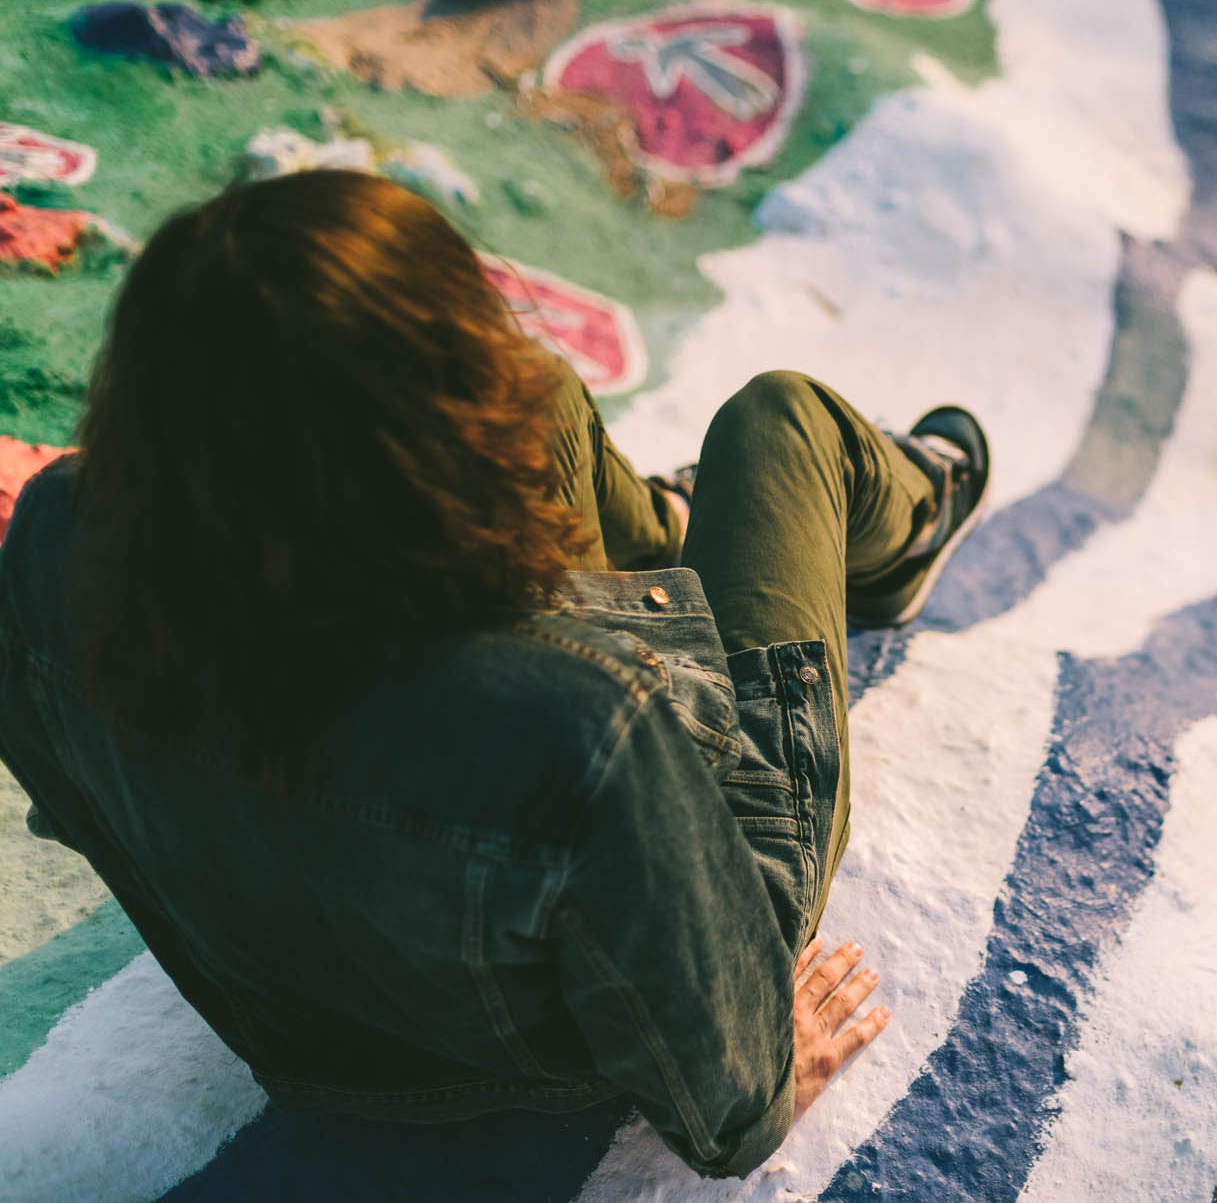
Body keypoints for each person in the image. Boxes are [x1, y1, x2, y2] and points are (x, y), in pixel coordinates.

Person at [0, 170, 990, 1178]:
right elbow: (731, 1102)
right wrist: (765, 1074)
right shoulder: (582, 726)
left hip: (300, 1037)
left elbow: (86, 811)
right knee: (779, 426)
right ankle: (914, 518)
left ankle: (675, 531)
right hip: (545, 1047)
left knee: (548, 393)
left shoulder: (54, 538)